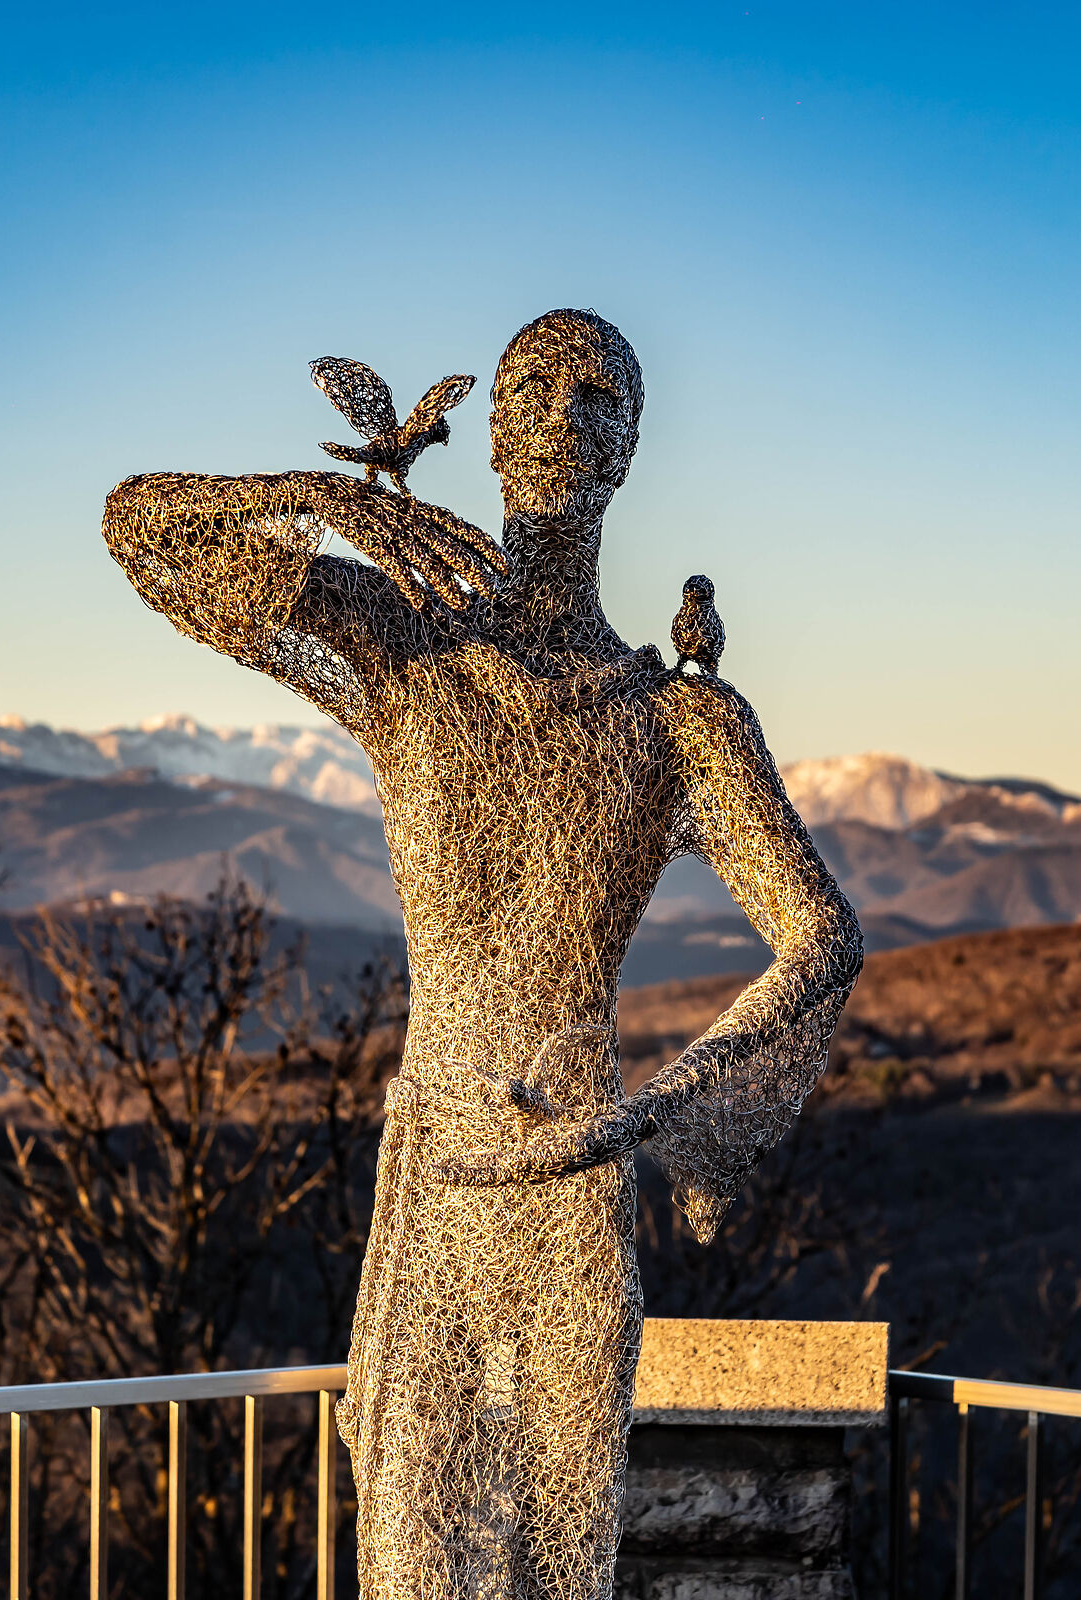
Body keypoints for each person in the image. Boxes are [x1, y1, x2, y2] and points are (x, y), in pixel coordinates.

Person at [102, 309, 861, 1600]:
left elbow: (823, 938)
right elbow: (142, 533)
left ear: (629, 447)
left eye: (599, 396)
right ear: (491, 432)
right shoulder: (410, 648)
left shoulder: (676, 720)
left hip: (572, 1191)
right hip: (438, 1180)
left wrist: (658, 1114)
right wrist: (323, 499)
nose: (564, 414)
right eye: (536, 387)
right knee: (416, 1553)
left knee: (558, 1563)